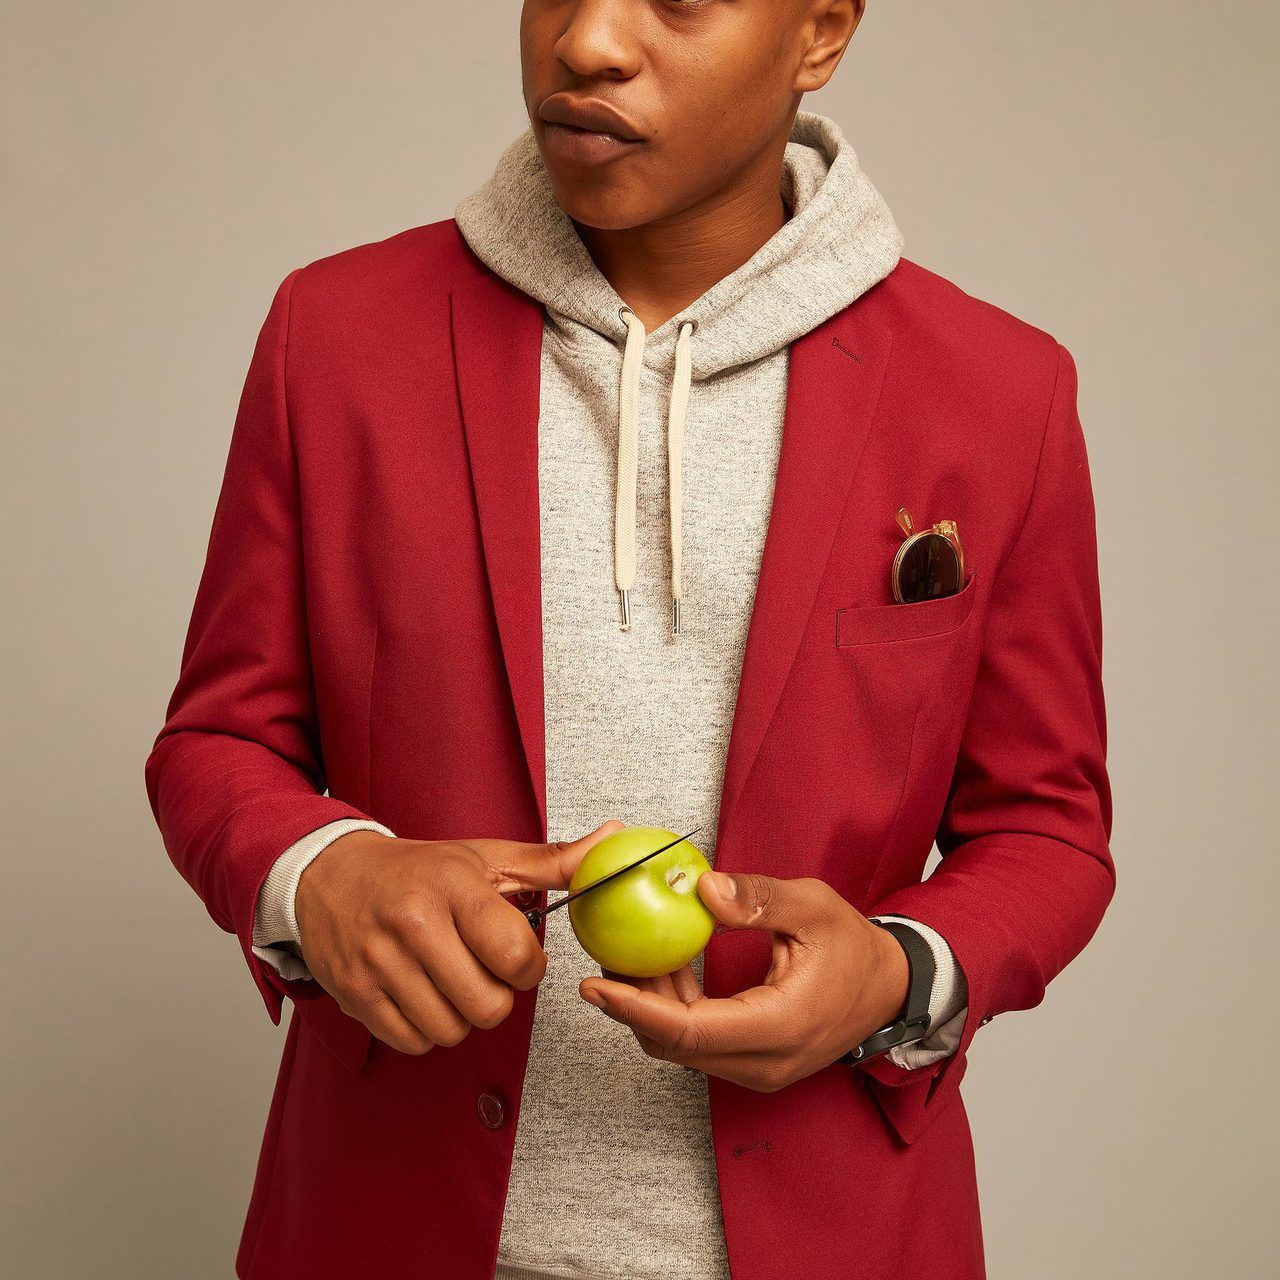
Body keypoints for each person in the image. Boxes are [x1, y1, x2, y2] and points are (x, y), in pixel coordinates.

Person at [144, 2, 1114, 1278]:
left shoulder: (998, 392)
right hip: (383, 1221)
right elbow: (216, 738)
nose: (588, 41)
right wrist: (319, 873)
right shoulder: (334, 336)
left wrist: (890, 976)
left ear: (819, 33)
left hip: (834, 1236)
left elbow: (1045, 827)